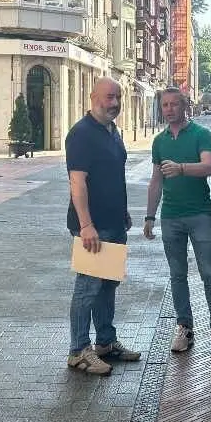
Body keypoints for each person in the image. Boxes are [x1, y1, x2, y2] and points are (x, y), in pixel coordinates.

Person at [143, 87, 211, 355]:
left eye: (174, 104)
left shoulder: (201, 134)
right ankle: (184, 327)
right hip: (170, 216)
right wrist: (150, 216)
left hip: (199, 215)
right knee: (177, 275)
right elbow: (156, 181)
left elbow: (209, 167)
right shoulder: (159, 141)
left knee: (209, 273)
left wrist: (182, 168)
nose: (169, 109)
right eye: (165, 105)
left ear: (185, 106)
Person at [65, 76, 141, 376]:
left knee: (108, 286)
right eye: (109, 97)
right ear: (93, 97)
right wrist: (86, 225)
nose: (114, 103)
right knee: (87, 288)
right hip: (93, 226)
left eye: (118, 97)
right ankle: (78, 351)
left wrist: (122, 212)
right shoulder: (81, 134)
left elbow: (113, 176)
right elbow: (77, 182)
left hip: (113, 223)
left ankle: (106, 343)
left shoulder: (112, 131)